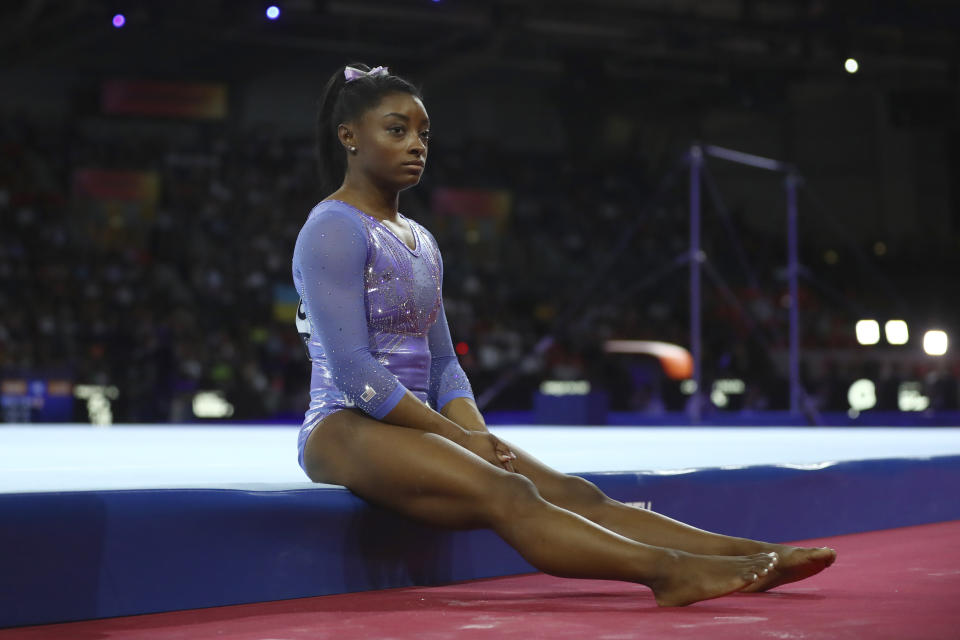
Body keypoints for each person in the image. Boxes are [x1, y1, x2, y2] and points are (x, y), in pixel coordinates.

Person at [292, 63, 836, 607]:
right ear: (349, 138)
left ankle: (743, 555)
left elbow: (443, 366)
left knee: (577, 493)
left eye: (424, 134)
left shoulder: (421, 240)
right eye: (396, 130)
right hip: (344, 423)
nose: (417, 145)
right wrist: (462, 442)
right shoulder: (333, 226)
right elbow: (354, 370)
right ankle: (671, 573)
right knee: (508, 490)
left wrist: (480, 435)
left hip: (416, 427)